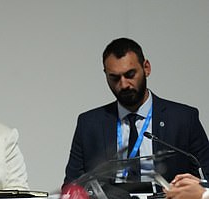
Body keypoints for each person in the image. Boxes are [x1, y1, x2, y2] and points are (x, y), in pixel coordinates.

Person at [64, 38, 209, 188]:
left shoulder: (183, 119)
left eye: (130, 74)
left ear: (146, 68)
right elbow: (70, 188)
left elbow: (207, 177)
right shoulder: (89, 124)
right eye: (114, 78)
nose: (124, 84)